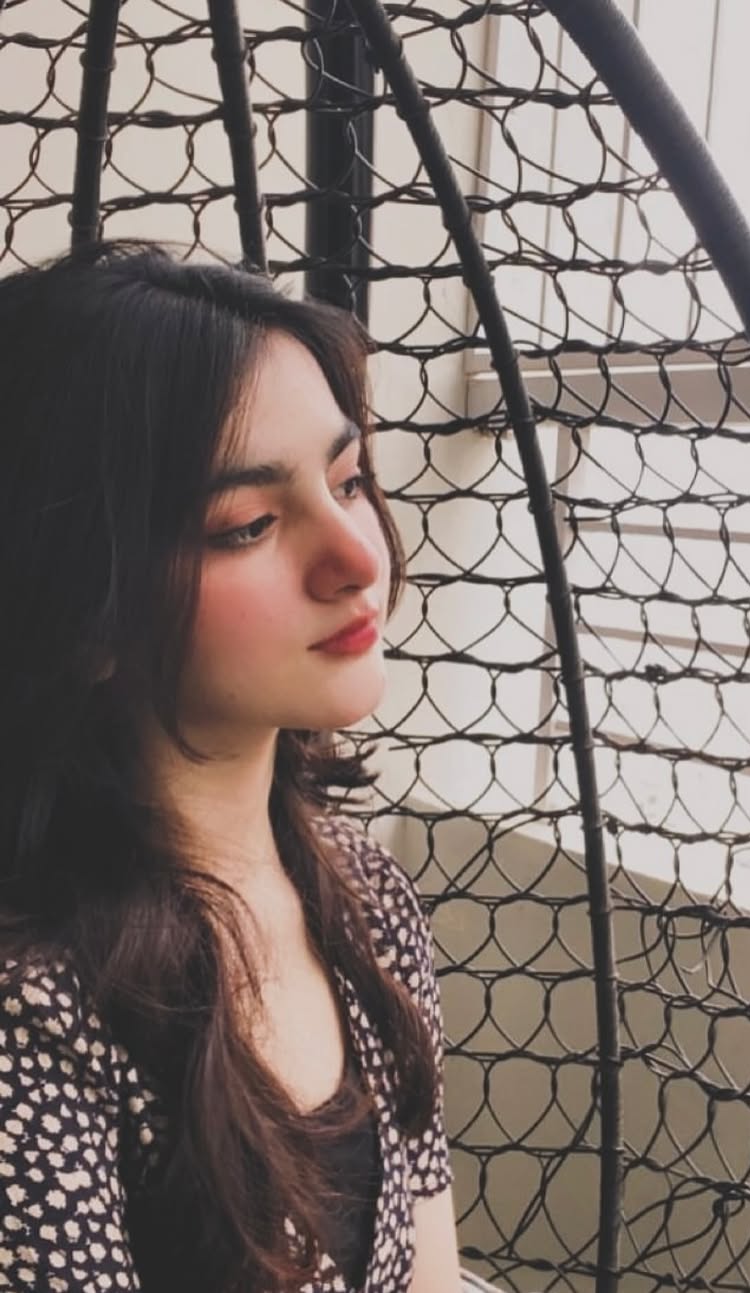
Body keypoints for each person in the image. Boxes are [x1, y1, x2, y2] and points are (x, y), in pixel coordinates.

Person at [0, 240, 460, 1292]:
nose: (358, 558)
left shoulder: (368, 904)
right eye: (247, 525)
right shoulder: (30, 1009)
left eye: (349, 480)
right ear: (81, 605)